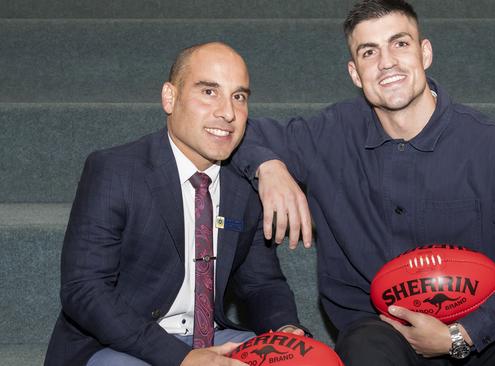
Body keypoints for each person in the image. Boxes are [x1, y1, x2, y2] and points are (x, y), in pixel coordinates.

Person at [233, 1, 495, 365]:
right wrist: (269, 167)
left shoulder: (492, 147)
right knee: (364, 345)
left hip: (489, 337)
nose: (387, 63)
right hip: (388, 339)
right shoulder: (329, 134)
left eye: (399, 44)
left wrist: (463, 333)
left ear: (425, 53)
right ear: (354, 72)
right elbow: (233, 131)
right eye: (369, 52)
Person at [44, 42, 307, 366]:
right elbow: (84, 291)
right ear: (170, 97)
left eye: (238, 96)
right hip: (120, 344)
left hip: (214, 338)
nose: (227, 112)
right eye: (209, 92)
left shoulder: (245, 186)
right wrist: (182, 358)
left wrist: (285, 328)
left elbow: (261, 283)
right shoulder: (115, 170)